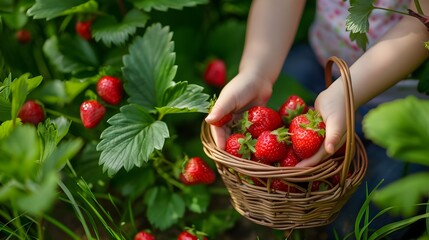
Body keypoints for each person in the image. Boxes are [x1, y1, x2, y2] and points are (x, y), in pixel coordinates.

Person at [204, 0, 429, 238]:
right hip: (322, 62)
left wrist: (346, 93)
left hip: (407, 104)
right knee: (288, 88)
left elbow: (424, 21)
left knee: (357, 225)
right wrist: (257, 72)